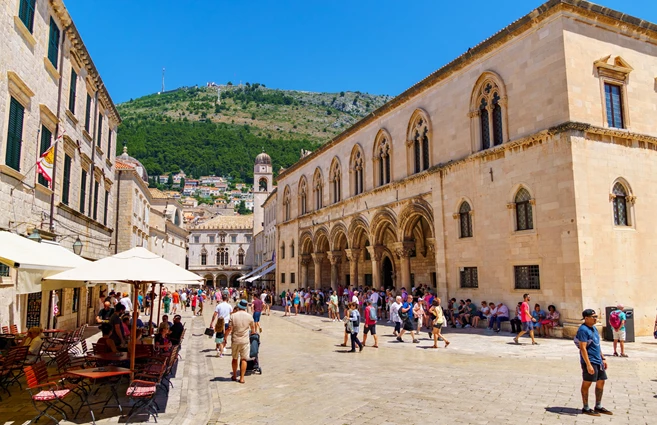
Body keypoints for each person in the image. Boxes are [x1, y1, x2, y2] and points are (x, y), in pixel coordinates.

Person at [575, 309, 612, 416]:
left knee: (601, 381)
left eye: (596, 316)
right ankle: (586, 407)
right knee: (587, 382)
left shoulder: (594, 328)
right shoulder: (583, 330)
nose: (596, 318)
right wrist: (588, 364)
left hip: (598, 360)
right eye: (593, 317)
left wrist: (603, 358)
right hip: (590, 360)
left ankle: (598, 406)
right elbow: (583, 348)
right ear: (586, 318)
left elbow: (597, 344)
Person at [229, 299, 255, 383]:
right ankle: (242, 378)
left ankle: (234, 375)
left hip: (235, 340)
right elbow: (253, 329)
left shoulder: (233, 316)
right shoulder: (249, 316)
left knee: (234, 358)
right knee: (244, 359)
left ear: (239, 306)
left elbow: (230, 328)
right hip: (245, 341)